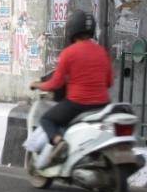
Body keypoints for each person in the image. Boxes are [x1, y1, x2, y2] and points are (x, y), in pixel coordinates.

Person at [29, 10, 113, 169]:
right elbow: (109, 82)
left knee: (46, 119)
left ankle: (58, 142)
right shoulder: (102, 52)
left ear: (71, 29)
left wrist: (37, 85)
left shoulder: (69, 53)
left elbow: (54, 84)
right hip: (102, 105)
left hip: (77, 104)